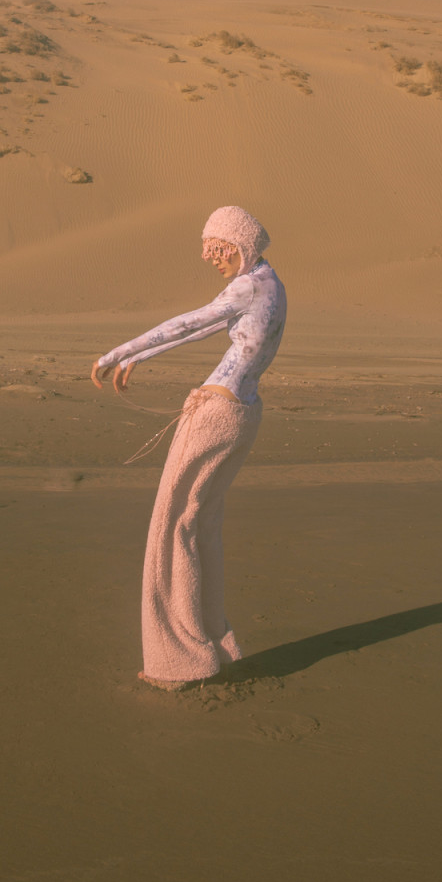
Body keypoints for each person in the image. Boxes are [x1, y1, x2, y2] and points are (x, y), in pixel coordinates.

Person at [91, 206, 286, 691]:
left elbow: (188, 322)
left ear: (239, 244)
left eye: (219, 249)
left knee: (171, 527)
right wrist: (141, 356)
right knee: (201, 528)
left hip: (214, 414)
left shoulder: (248, 286)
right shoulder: (269, 283)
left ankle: (176, 661)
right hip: (244, 414)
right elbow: (204, 326)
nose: (212, 258)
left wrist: (119, 352)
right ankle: (213, 648)